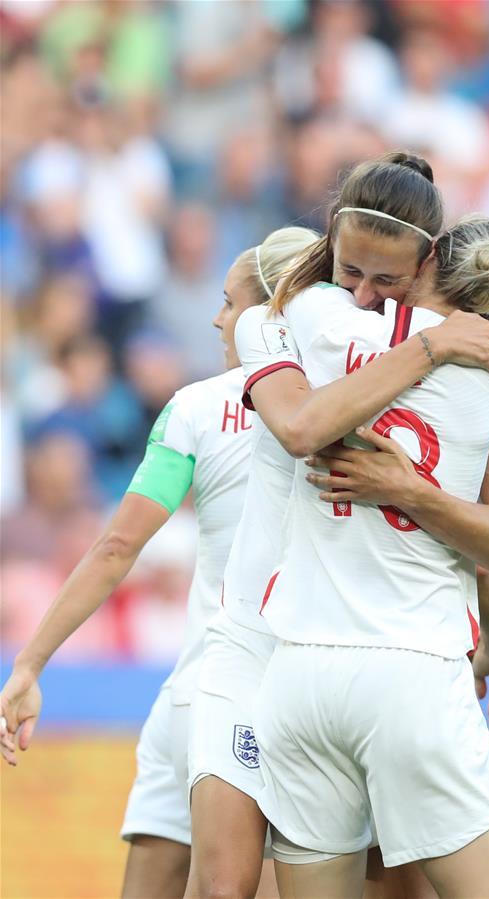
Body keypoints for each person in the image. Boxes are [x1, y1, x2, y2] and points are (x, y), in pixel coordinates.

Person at [185, 153, 489, 899]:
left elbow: (299, 425)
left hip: (297, 675)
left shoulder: (294, 319)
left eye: (381, 279)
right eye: (352, 272)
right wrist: (449, 351)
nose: (363, 293)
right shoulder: (487, 356)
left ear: (423, 257)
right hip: (413, 670)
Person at [0, 226, 320, 899]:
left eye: (230, 303)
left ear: (272, 311)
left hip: (188, 695)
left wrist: (29, 663)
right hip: (271, 697)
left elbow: (117, 546)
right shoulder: (345, 408)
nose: (217, 317)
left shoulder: (196, 408)